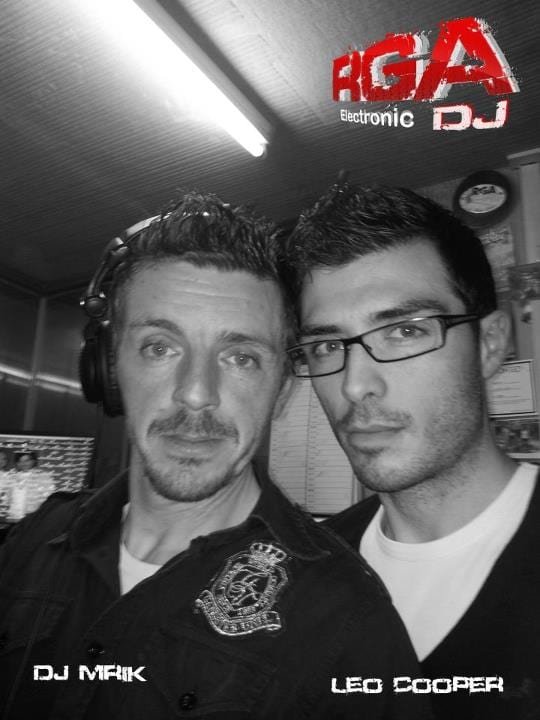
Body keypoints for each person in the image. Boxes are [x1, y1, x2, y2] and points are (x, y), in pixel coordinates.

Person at [0, 191, 429, 720]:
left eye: (241, 357)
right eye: (160, 347)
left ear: (282, 390)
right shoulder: (34, 540)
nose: (196, 393)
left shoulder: (345, 617)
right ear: (109, 370)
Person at [283, 183, 540, 720]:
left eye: (403, 331)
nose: (355, 385)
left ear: (489, 344)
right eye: (327, 346)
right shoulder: (302, 574)